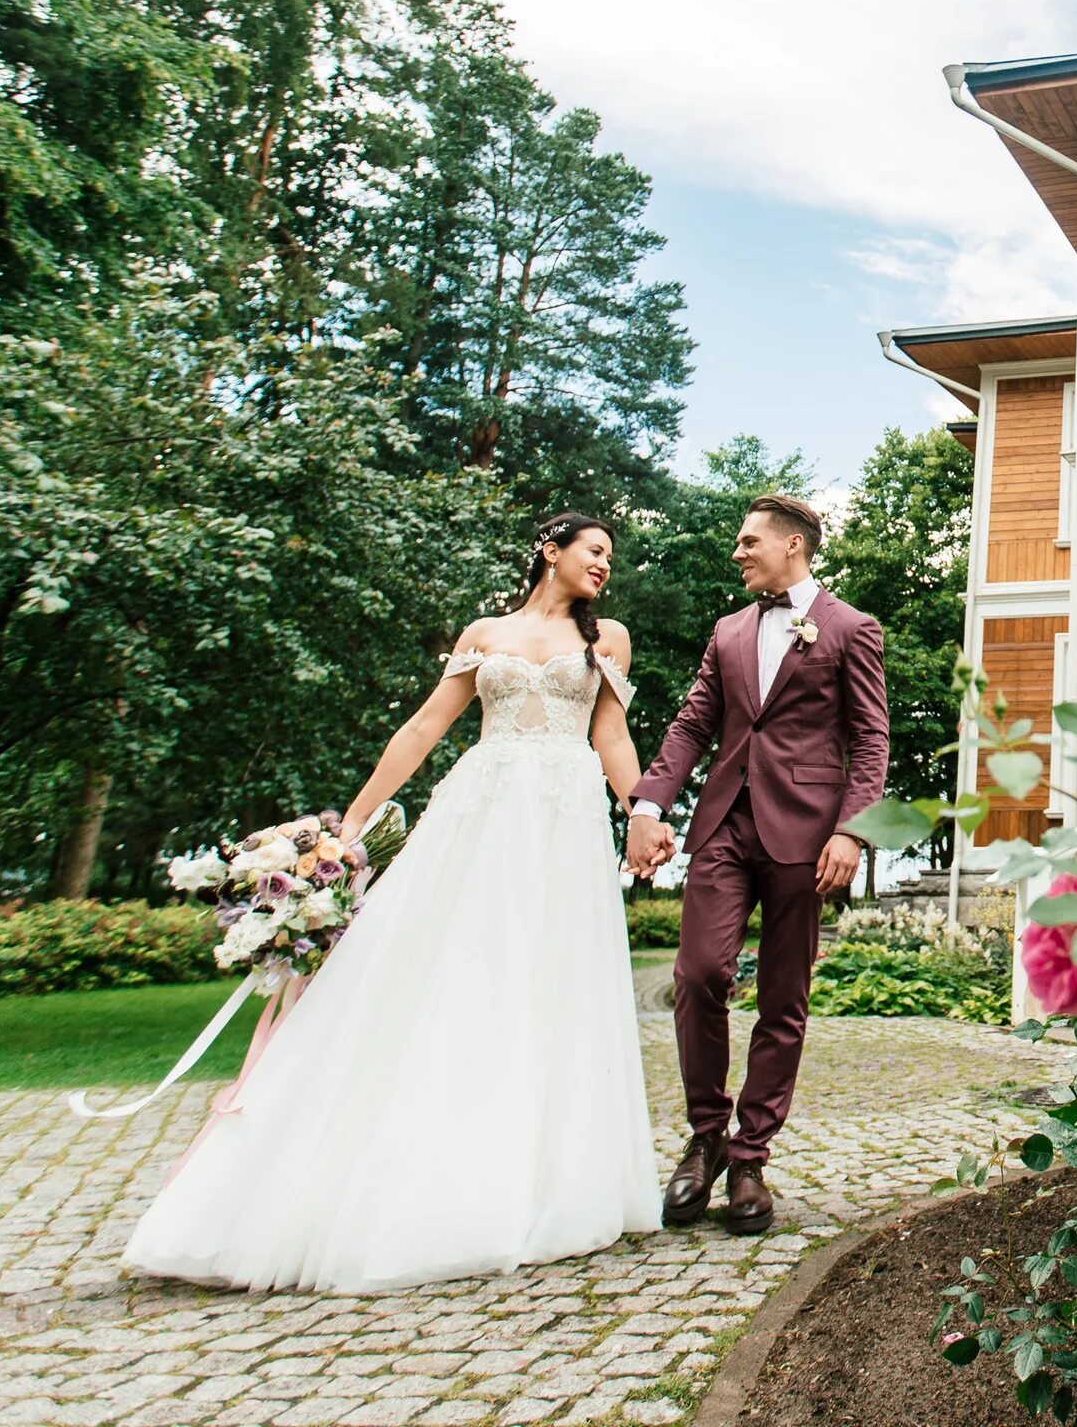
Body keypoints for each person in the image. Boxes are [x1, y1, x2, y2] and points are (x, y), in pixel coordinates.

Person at [122, 513, 659, 1293]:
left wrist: (643, 811)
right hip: (480, 811)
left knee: (551, 982)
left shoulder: (607, 638)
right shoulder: (486, 630)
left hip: (565, 822)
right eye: (594, 549)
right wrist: (352, 823)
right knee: (445, 973)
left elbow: (610, 736)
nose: (606, 563)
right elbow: (424, 727)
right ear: (553, 550)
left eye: (612, 555)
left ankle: (546, 1178)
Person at [624, 492, 887, 1237]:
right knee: (698, 974)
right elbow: (694, 723)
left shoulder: (851, 628)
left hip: (808, 838)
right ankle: (704, 1137)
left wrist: (852, 833)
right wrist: (649, 804)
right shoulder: (729, 630)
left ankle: (749, 1157)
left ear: (794, 546)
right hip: (726, 825)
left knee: (783, 998)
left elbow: (870, 741)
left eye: (749, 542)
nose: (737, 553)